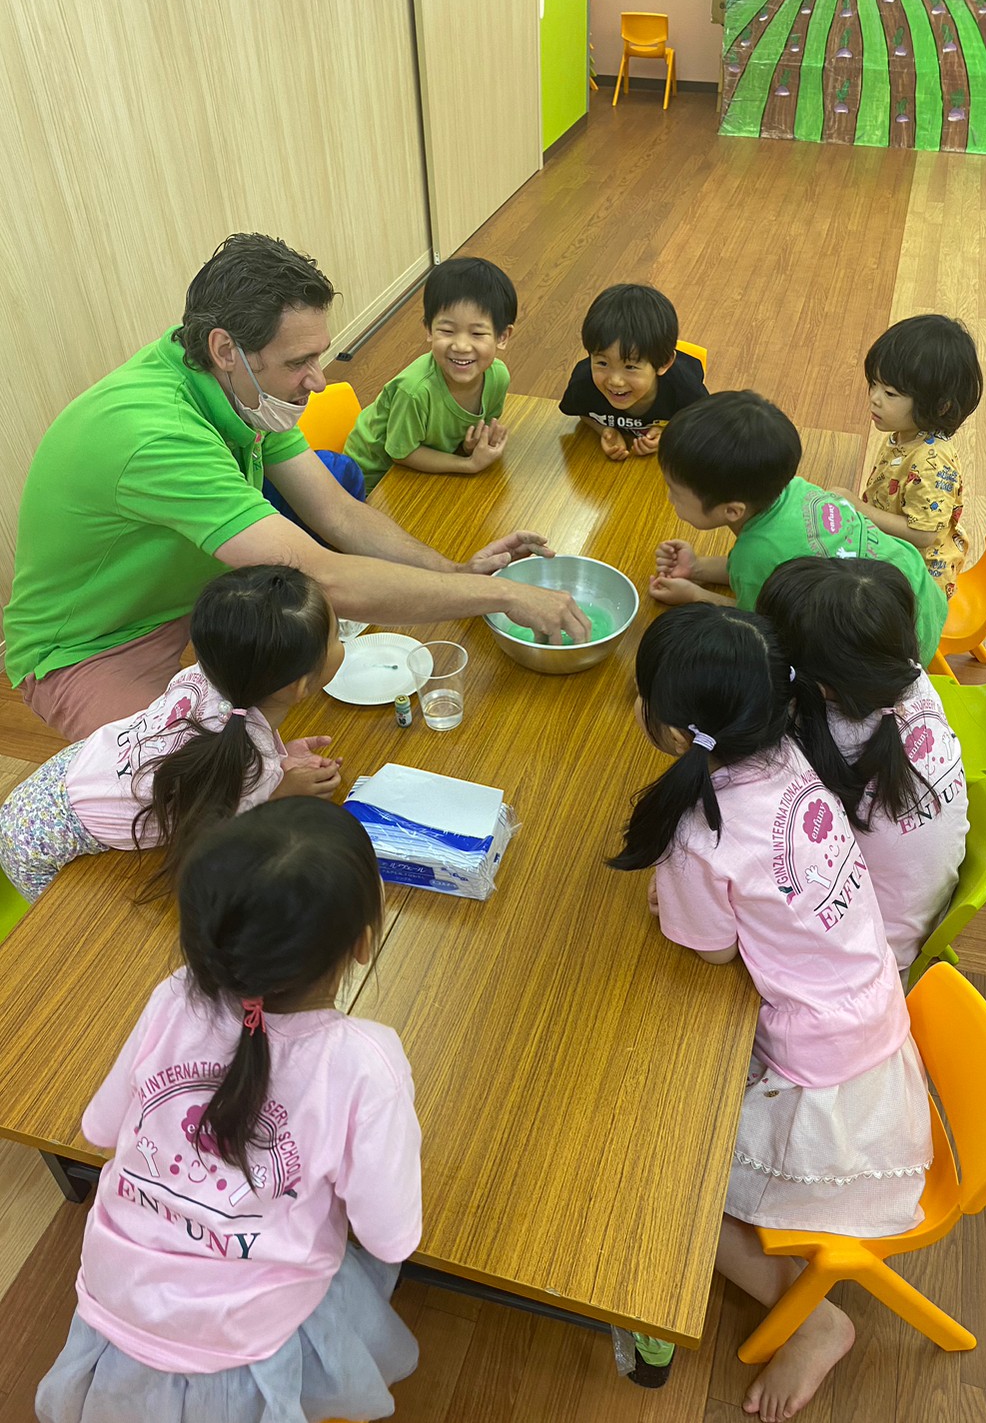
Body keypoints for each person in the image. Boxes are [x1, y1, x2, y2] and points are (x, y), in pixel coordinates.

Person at [5, 233, 588, 744]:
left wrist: (454, 572)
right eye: (299, 362)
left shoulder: (234, 382)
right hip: (87, 650)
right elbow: (326, 577)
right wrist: (502, 595)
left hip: (185, 607)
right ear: (226, 349)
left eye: (319, 356)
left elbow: (338, 513)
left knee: (251, 763)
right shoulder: (157, 435)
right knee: (199, 790)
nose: (319, 380)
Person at [608, 605, 931, 1421]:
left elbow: (710, 953)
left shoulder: (700, 835)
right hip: (871, 1022)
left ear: (671, 730)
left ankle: (814, 1318)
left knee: (667, 1183)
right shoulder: (790, 750)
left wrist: (678, 900)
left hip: (824, 1083)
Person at [36, 796, 422, 1423]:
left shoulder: (173, 997)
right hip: (252, 1336)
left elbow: (98, 1126)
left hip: (114, 1301)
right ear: (362, 944)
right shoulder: (364, 1063)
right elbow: (390, 1235)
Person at [0, 566, 344, 903]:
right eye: (336, 635)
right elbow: (226, 837)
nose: (339, 640)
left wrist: (277, 758)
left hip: (60, 778)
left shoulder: (205, 674)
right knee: (76, 929)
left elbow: (226, 754)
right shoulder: (248, 763)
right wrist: (279, 791)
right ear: (300, 686)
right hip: (39, 846)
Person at [757, 557, 968, 976]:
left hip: (865, 955)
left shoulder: (813, 745)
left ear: (817, 685)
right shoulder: (912, 676)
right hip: (922, 904)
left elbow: (761, 843)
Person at [649, 389, 948, 664]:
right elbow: (772, 567)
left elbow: (755, 628)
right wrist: (698, 568)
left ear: (732, 510)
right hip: (921, 595)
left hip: (895, 652)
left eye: (674, 490)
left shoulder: (756, 556)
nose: (668, 496)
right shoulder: (796, 490)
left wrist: (694, 596)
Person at [834, 314, 982, 600]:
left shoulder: (931, 462)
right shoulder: (906, 434)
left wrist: (859, 509)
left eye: (890, 393)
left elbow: (923, 535)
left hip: (917, 581)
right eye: (873, 384)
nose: (874, 397)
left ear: (940, 406)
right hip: (891, 550)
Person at [344, 257, 515, 490]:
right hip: (373, 479)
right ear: (429, 330)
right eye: (447, 331)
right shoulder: (414, 391)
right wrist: (468, 464)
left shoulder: (498, 377)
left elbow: (475, 429)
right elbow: (402, 454)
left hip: (427, 465)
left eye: (477, 334)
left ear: (502, 337)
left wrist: (470, 445)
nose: (461, 346)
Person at [558, 284, 708, 461]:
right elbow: (584, 411)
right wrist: (604, 430)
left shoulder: (685, 389)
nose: (615, 381)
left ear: (664, 363)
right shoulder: (583, 382)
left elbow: (704, 426)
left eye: (630, 367)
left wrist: (668, 434)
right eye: (602, 363)